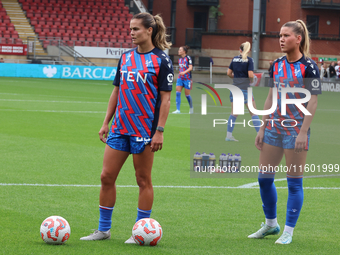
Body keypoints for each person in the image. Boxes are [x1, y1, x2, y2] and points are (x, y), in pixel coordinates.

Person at [80, 12, 173, 243]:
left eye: (136, 29)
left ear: (149, 30)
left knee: (143, 180)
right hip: (120, 128)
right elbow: (116, 91)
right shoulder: (126, 57)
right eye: (130, 29)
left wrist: (159, 131)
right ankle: (103, 230)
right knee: (106, 176)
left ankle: (140, 231)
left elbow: (165, 99)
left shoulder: (162, 60)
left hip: (144, 131)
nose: (131, 33)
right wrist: (106, 122)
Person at [248, 19, 321, 244]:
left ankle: (288, 231)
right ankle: (271, 225)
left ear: (298, 39)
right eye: (280, 35)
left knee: (294, 182)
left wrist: (302, 132)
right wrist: (262, 127)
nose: (281, 39)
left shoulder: (310, 67)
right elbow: (271, 96)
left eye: (286, 35)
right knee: (264, 179)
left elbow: (313, 102)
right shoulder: (276, 64)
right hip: (273, 128)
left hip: (295, 130)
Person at [225, 41, 261, 141]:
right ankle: (260, 136)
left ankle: (228, 136)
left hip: (234, 88)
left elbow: (228, 73)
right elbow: (250, 75)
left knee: (233, 113)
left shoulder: (234, 59)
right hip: (245, 90)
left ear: (240, 50)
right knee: (254, 113)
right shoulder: (249, 60)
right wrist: (252, 79)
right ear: (248, 50)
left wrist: (236, 78)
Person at [172, 45, 193, 114]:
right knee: (178, 93)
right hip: (180, 78)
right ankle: (178, 110)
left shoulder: (188, 58)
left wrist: (184, 72)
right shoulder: (180, 59)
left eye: (180, 50)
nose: (178, 51)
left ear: (184, 51)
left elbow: (190, 68)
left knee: (187, 95)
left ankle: (191, 108)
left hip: (187, 79)